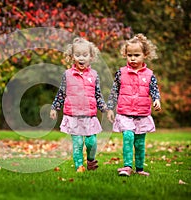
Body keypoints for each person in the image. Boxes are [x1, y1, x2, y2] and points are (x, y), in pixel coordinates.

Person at [50, 37, 108, 172]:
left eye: (85, 55)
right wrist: (55, 107)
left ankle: (91, 160)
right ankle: (79, 166)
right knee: (77, 143)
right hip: (73, 115)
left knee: (91, 142)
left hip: (89, 115)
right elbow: (61, 93)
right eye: (77, 55)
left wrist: (104, 108)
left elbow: (97, 94)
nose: (81, 58)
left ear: (91, 57)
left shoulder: (94, 75)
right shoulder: (67, 75)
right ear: (72, 57)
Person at [107, 33, 161, 176]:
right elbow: (114, 91)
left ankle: (139, 169)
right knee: (128, 136)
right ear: (125, 55)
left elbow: (154, 89)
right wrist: (110, 108)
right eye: (129, 55)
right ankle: (127, 167)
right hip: (125, 112)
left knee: (140, 143)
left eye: (136, 55)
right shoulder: (121, 73)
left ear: (145, 55)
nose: (132, 58)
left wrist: (156, 99)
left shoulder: (149, 74)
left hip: (142, 114)